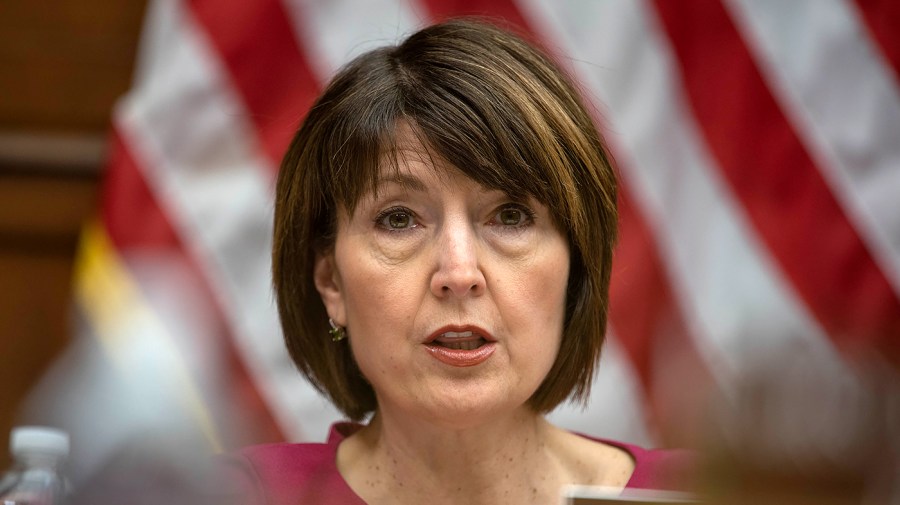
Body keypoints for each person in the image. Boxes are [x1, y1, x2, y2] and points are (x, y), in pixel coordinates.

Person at [221, 18, 693, 504]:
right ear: (331, 283)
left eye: (509, 216)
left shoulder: (715, 492)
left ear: (574, 269)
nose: (460, 274)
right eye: (399, 219)